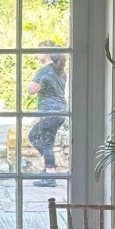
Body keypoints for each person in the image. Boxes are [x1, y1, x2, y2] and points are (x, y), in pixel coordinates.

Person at [27, 42, 67, 187]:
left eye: (40, 51)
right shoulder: (61, 71)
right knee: (34, 136)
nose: (38, 54)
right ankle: (50, 168)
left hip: (49, 112)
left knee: (47, 143)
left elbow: (32, 89)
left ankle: (50, 175)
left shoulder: (44, 71)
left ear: (47, 53)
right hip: (61, 111)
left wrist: (28, 85)